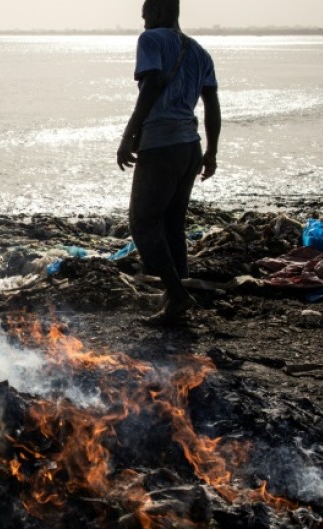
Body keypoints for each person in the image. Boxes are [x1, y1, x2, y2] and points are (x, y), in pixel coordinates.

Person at [116, 0, 221, 324]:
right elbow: (212, 106)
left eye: (146, 14)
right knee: (173, 223)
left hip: (161, 144)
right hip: (189, 146)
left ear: (160, 10)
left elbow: (148, 89)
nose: (144, 21)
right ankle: (179, 292)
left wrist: (128, 135)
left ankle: (176, 295)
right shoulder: (200, 52)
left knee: (143, 223)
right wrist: (211, 152)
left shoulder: (151, 40)